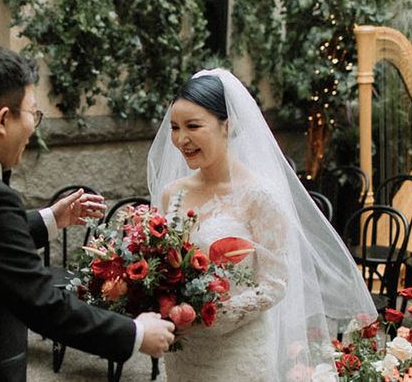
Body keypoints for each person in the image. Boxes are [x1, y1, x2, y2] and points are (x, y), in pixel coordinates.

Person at [0, 45, 175, 381]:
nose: (35, 127)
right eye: (34, 113)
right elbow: (43, 303)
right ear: (3, 119)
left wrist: (52, 219)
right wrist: (134, 334)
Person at [147, 69, 377, 381]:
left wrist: (207, 316)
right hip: (184, 354)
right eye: (175, 127)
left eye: (193, 126)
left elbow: (274, 284)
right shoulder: (173, 194)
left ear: (226, 126)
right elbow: (158, 267)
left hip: (236, 353)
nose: (181, 139)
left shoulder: (259, 196)